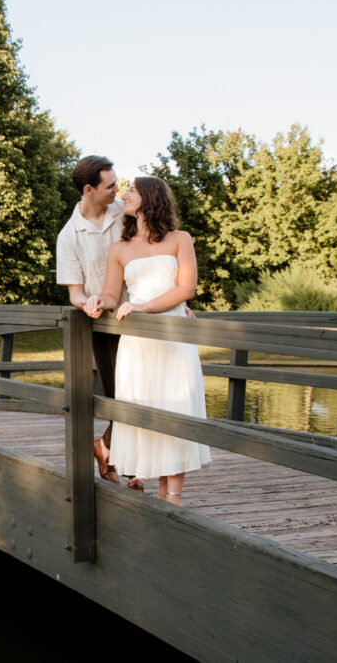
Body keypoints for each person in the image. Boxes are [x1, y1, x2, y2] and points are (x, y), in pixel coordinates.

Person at [83, 176, 211, 505]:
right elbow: (113, 295)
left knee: (177, 407)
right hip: (138, 344)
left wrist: (144, 307)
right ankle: (161, 491)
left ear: (150, 197)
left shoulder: (180, 239)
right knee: (147, 410)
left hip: (174, 338)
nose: (123, 195)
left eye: (132, 191)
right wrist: (97, 301)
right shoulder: (120, 249)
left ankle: (175, 497)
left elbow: (186, 289)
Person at [55, 155, 139, 489]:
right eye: (110, 186)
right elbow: (74, 293)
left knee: (143, 391)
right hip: (104, 324)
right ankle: (111, 452)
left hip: (139, 316)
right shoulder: (69, 236)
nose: (116, 191)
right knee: (119, 395)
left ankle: (119, 456)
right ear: (89, 189)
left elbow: (154, 240)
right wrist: (86, 301)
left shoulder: (122, 210)